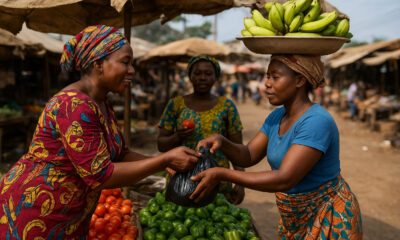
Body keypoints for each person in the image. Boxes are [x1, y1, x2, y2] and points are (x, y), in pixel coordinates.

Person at [0, 25, 200, 238]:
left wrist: (166, 163)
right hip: (36, 212)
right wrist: (163, 160)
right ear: (98, 64)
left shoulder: (101, 102)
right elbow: (101, 176)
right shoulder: (73, 106)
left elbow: (121, 153)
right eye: (125, 62)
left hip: (70, 213)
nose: (132, 70)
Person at [190, 54, 363, 239]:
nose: (267, 83)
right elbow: (248, 154)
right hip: (295, 218)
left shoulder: (317, 121)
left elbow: (285, 179)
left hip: (328, 216)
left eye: (275, 77)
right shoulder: (277, 116)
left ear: (299, 80)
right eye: (267, 76)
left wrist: (222, 174)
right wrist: (222, 142)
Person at [157, 54, 245, 205]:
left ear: (216, 77)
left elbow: (238, 149)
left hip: (218, 181)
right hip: (181, 180)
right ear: (190, 76)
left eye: (208, 74)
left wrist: (240, 182)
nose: (202, 78)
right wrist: (177, 136)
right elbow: (161, 144)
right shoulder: (175, 105)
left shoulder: (227, 106)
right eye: (197, 73)